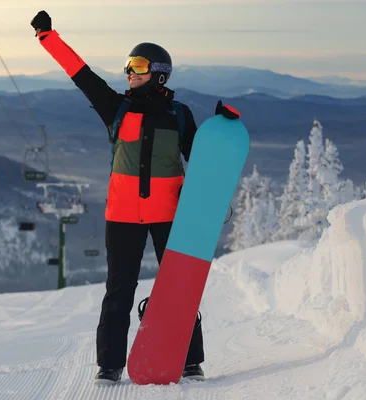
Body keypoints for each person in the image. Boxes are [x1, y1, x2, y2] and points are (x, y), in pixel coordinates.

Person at [31, 10, 237, 386]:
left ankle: (190, 362)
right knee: (118, 291)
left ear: (158, 73)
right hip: (123, 216)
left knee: (180, 288)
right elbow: (82, 75)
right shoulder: (117, 108)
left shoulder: (179, 115)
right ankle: (109, 366)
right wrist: (48, 37)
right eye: (128, 65)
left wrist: (222, 130)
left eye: (138, 65)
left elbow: (204, 160)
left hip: (168, 216)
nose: (129, 71)